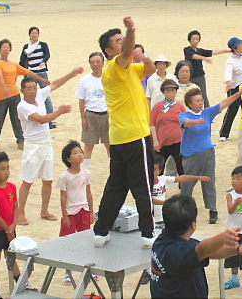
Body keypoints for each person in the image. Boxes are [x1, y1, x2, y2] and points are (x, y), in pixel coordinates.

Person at [93, 17, 156, 249]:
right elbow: (127, 52)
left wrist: (143, 55)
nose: (123, 44)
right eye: (118, 42)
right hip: (135, 136)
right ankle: (148, 234)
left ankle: (101, 232)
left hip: (120, 138)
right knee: (143, 186)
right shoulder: (113, 69)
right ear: (109, 51)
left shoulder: (128, 68)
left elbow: (149, 68)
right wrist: (131, 30)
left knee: (116, 186)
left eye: (123, 40)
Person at [150, 194, 242, 298]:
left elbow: (208, 252)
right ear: (193, 225)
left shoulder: (162, 242)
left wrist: (238, 249)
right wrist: (222, 237)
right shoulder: (180, 251)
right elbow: (202, 249)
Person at [16, 68, 83, 225]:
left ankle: (44, 210)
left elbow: (54, 84)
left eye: (34, 88)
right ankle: (20, 213)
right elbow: (41, 119)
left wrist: (71, 74)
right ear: (22, 90)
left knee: (47, 180)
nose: (32, 91)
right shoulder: (22, 106)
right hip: (33, 146)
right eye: (29, 88)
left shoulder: (39, 95)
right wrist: (59, 112)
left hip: (46, 144)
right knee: (27, 181)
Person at [179, 86, 242, 224]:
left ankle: (212, 210)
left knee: (209, 182)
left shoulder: (207, 112)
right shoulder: (184, 115)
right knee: (187, 184)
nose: (200, 102)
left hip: (208, 154)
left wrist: (239, 93)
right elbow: (185, 123)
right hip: (191, 156)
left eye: (201, 100)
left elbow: (224, 103)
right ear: (190, 103)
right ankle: (184, 210)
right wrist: (196, 122)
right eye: (197, 101)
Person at [0, 152, 35, 299]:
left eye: (7, 168)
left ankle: (21, 283)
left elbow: (16, 207)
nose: (6, 172)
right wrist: (7, 228)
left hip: (11, 228)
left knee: (11, 257)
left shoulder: (11, 187)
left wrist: (13, 225)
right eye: (2, 169)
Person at [0, 39, 50, 152]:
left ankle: (20, 140)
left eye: (8, 47)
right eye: (4, 47)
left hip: (14, 94)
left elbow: (28, 72)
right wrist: (4, 87)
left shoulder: (13, 64)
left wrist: (42, 79)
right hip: (1, 96)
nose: (6, 49)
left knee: (16, 119)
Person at [57, 140, 94, 286]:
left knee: (86, 241)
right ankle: (67, 273)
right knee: (69, 243)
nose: (79, 155)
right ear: (68, 159)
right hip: (71, 213)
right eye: (75, 153)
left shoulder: (86, 173)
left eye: (80, 152)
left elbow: (89, 193)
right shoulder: (64, 176)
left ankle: (88, 270)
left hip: (84, 211)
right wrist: (65, 215)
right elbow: (63, 197)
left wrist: (91, 211)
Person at [151, 154, 210, 229]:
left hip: (162, 218)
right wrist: (167, 203)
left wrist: (198, 177)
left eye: (154, 169)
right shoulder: (144, 184)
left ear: (159, 170)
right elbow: (149, 200)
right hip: (149, 218)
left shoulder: (163, 179)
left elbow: (182, 178)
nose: (151, 172)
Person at [76, 52, 110, 172]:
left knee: (110, 145)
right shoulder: (84, 80)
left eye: (98, 62)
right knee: (88, 145)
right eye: (92, 62)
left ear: (103, 63)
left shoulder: (109, 77)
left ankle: (114, 169)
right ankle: (84, 171)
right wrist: (83, 119)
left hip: (107, 115)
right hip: (91, 114)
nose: (95, 64)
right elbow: (81, 101)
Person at [19, 27, 55, 129]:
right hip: (31, 73)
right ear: (29, 35)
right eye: (32, 33)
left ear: (38, 35)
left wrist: (43, 61)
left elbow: (47, 54)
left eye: (36, 33)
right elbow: (22, 61)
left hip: (42, 72)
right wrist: (24, 72)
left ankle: (50, 120)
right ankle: (32, 116)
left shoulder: (43, 45)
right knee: (30, 95)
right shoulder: (26, 47)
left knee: (46, 95)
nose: (34, 35)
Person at [183, 30, 230, 108]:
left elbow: (214, 52)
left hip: (200, 76)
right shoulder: (187, 50)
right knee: (189, 95)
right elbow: (194, 56)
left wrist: (228, 51)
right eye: (193, 39)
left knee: (203, 95)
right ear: (189, 40)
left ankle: (207, 112)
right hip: (189, 77)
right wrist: (204, 58)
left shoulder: (200, 50)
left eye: (197, 39)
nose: (195, 41)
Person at [219, 37, 242, 141]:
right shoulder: (230, 61)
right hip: (234, 88)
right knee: (232, 110)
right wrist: (228, 81)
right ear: (235, 47)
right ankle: (223, 134)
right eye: (240, 44)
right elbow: (228, 72)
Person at [150, 80, 186, 176]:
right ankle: (158, 189)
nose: (170, 92)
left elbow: (185, 124)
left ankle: (184, 189)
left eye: (172, 90)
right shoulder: (157, 107)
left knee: (181, 167)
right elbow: (152, 124)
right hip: (161, 143)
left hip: (178, 142)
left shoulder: (180, 107)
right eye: (168, 90)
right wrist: (155, 141)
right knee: (158, 169)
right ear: (163, 92)